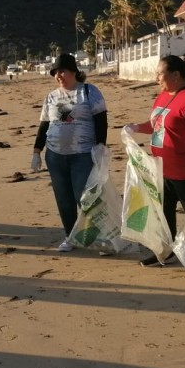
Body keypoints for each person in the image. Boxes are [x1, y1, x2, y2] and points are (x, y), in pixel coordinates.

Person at [124, 54, 185, 267]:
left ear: (176, 74)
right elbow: (156, 124)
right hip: (163, 169)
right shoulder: (164, 95)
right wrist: (137, 128)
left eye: (160, 73)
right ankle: (165, 251)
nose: (156, 77)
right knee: (163, 213)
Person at [30, 54, 108, 252]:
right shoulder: (51, 96)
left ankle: (95, 237)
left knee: (85, 198)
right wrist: (37, 151)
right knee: (63, 199)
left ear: (74, 71)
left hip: (82, 154)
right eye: (55, 73)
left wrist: (100, 147)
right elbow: (44, 125)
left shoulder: (89, 92)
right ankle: (71, 237)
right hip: (55, 156)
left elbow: (101, 122)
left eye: (62, 71)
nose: (59, 76)